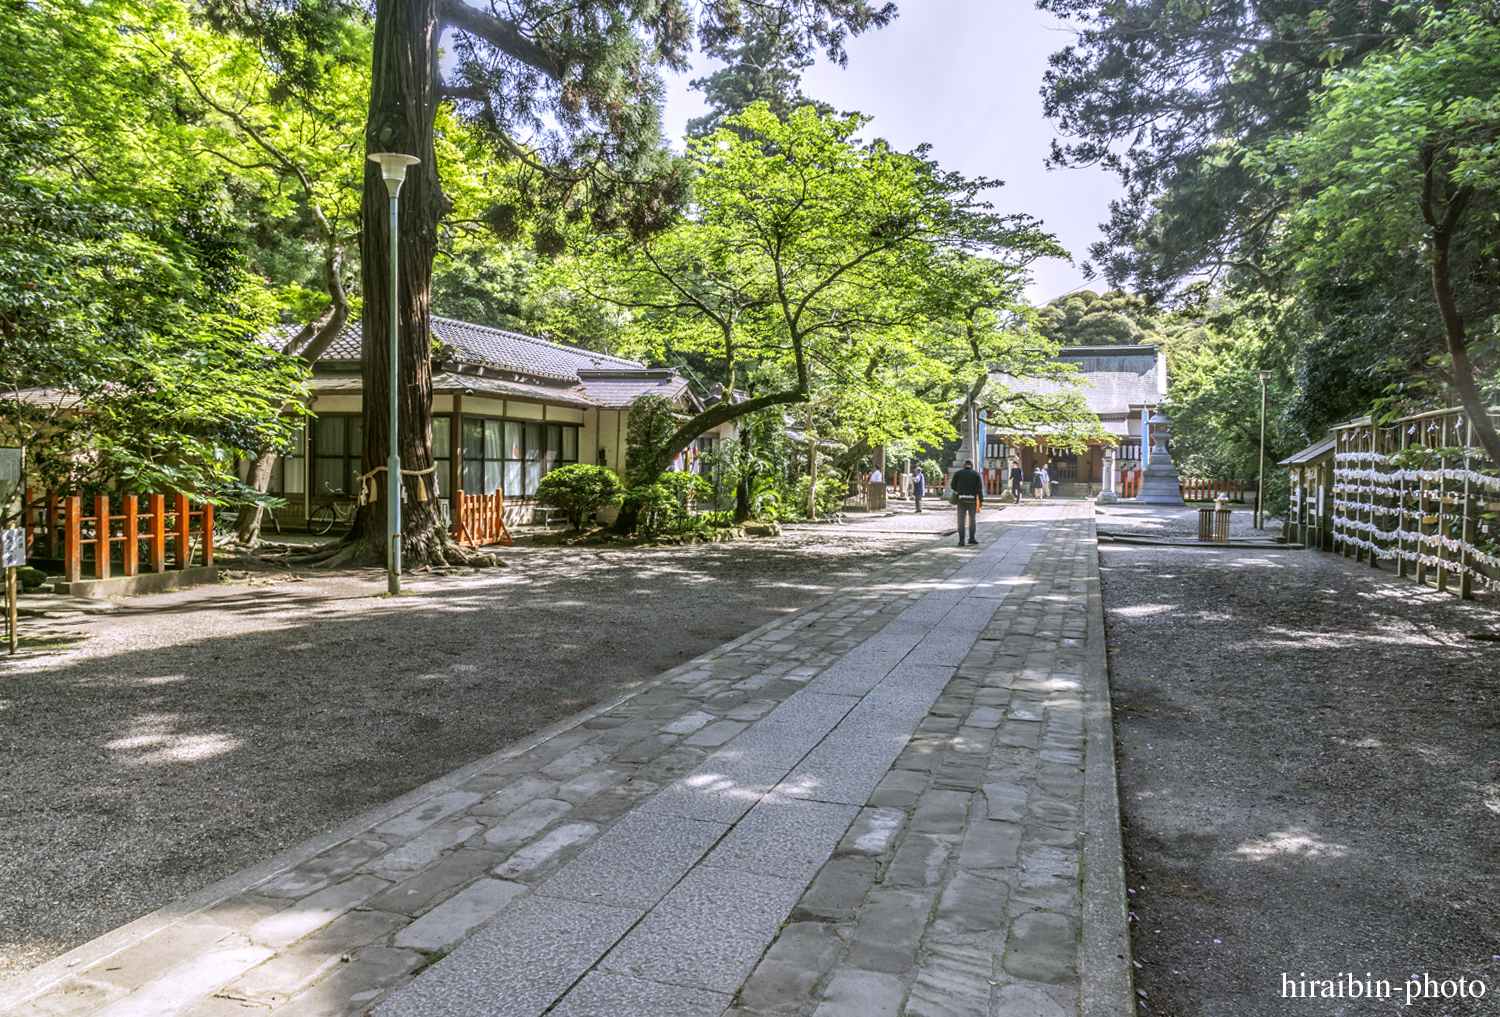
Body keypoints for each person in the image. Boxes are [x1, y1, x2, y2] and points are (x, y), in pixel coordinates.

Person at [951, 458, 983, 545]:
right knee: (972, 520)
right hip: (972, 500)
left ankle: (961, 540)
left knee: (961, 520)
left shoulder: (958, 473)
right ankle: (972, 538)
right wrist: (981, 500)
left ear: (964, 464)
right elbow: (979, 488)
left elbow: (953, 486)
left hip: (961, 499)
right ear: (972, 465)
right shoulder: (976, 474)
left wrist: (960, 490)